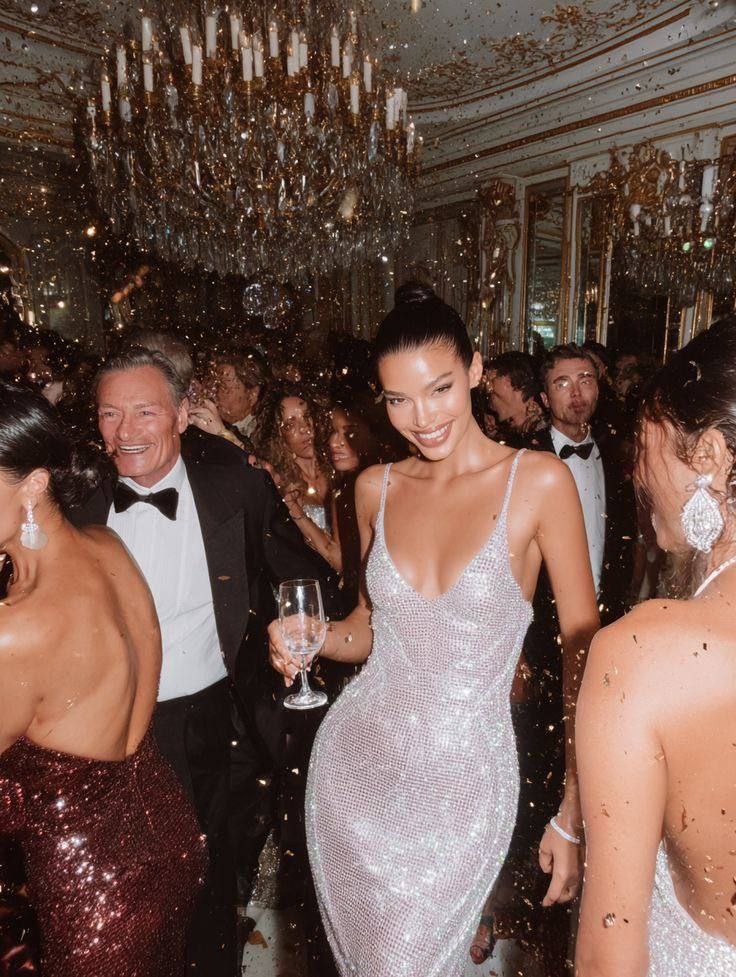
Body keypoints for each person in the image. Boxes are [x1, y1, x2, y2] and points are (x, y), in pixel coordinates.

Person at [269, 283, 599, 976]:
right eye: (398, 400)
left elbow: (583, 655)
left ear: (475, 369)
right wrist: (312, 634)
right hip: (358, 770)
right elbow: (366, 631)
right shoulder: (374, 488)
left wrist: (574, 805)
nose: (421, 418)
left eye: (440, 389)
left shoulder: (538, 482)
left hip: (464, 784)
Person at [71, 349, 340, 976]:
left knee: (206, 869)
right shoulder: (74, 492)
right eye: (110, 413)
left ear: (182, 414)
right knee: (117, 883)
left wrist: (289, 624)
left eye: (145, 411)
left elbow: (297, 573)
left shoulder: (233, 482)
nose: (125, 431)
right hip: (98, 721)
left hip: (203, 714)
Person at [0, 380, 207, 977]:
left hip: (93, 888)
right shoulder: (107, 543)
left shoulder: (17, 630)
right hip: (169, 837)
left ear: (34, 484)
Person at [576, 322, 736, 976]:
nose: (637, 474)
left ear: (708, 454)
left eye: (646, 448)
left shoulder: (641, 653)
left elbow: (609, 954)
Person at [255, 385, 339, 570]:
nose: (304, 428)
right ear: (279, 437)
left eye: (307, 416)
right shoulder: (282, 485)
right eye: (290, 425)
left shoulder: (340, 470)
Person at [486, 350, 546, 447]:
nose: (488, 389)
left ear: (509, 380)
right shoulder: (507, 435)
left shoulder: (543, 437)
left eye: (492, 379)